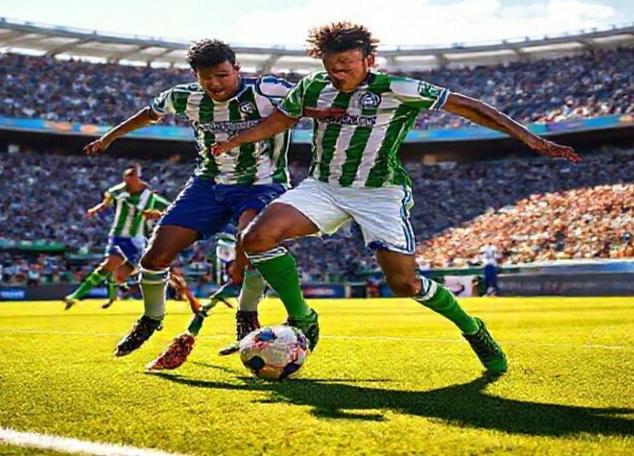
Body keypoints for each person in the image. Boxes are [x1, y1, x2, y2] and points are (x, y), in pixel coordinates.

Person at [213, 22, 582, 373]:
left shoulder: (396, 88)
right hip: (323, 186)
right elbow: (281, 119)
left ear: (368, 61)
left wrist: (529, 137)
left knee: (405, 285)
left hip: (379, 193)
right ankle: (303, 318)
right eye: (330, 67)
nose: (337, 74)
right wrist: (234, 140)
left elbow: (467, 106)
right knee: (257, 238)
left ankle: (473, 328)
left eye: (345, 65)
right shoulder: (312, 88)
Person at [83, 39, 293, 370]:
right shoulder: (184, 97)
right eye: (205, 77)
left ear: (237, 69)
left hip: (261, 185)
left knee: (253, 241)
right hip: (207, 185)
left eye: (222, 75)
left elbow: (314, 102)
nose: (214, 84)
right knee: (154, 256)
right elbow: (148, 114)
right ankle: (151, 318)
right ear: (195, 76)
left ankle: (247, 314)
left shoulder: (269, 91)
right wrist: (110, 137)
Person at [63, 165, 170, 309]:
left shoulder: (149, 197)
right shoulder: (118, 191)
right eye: (125, 179)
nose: (126, 183)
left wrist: (157, 215)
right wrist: (96, 209)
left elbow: (169, 209)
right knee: (108, 266)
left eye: (130, 179)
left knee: (141, 270)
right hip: (117, 236)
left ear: (136, 179)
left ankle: (174, 291)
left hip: (135, 240)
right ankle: (75, 296)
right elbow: (107, 200)